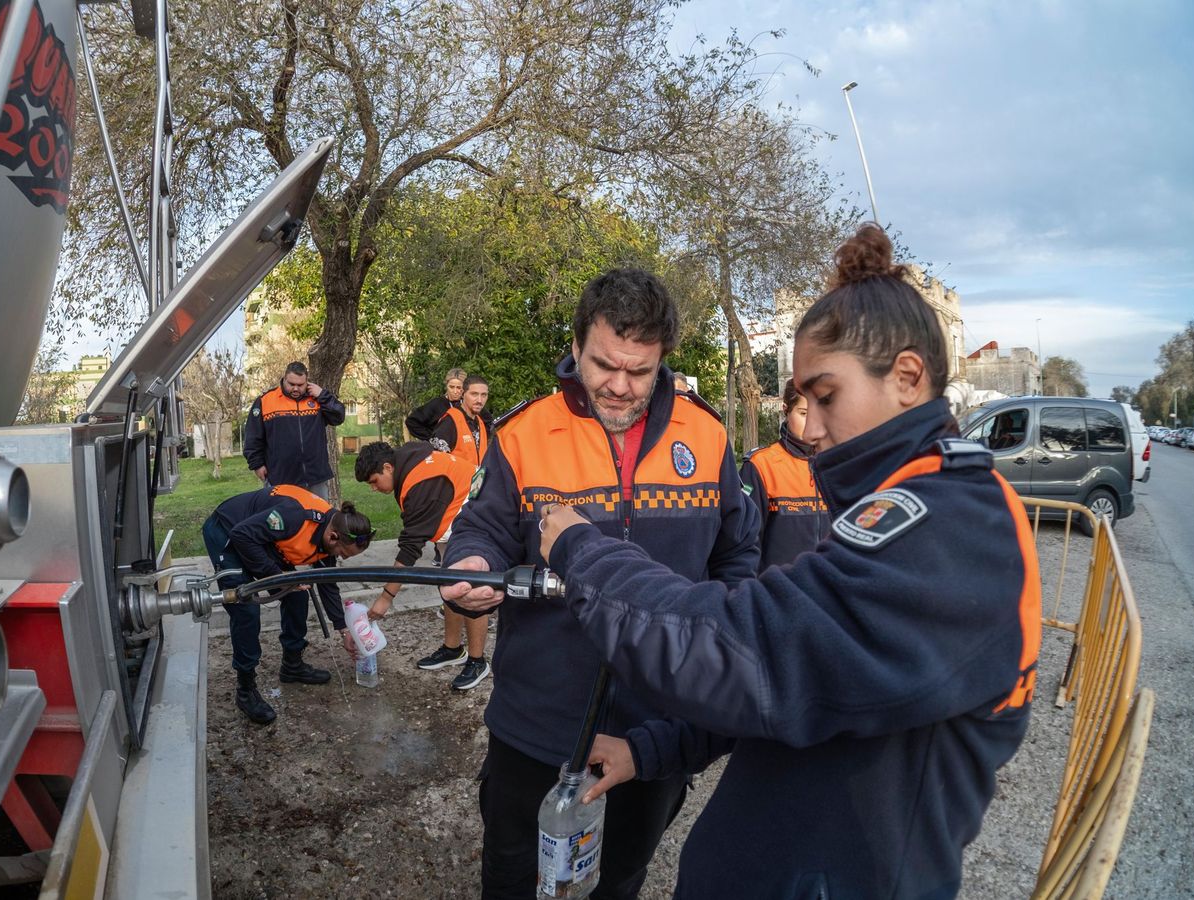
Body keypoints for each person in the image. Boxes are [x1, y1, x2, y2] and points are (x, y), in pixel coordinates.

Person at [510, 224, 1041, 898]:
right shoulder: (908, 502)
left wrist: (582, 550)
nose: (811, 426)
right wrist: (650, 749)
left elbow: (746, 650)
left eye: (827, 396)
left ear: (908, 377)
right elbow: (814, 682)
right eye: (805, 400)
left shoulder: (950, 529)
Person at [439, 268, 761, 898]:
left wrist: (707, 663)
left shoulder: (708, 434)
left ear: (665, 358)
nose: (619, 386)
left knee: (618, 879)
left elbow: (738, 556)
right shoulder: (526, 431)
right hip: (536, 724)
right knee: (514, 875)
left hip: (654, 729)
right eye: (603, 365)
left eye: (639, 371)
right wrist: (471, 565)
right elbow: (480, 530)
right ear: (578, 342)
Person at [202, 485, 373, 725]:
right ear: (333, 536)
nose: (342, 557)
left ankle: (292, 665)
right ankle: (245, 688)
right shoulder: (294, 517)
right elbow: (242, 535)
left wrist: (344, 630)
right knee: (246, 609)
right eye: (343, 552)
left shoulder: (332, 531)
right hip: (228, 532)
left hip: (259, 538)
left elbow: (327, 583)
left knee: (297, 596)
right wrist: (278, 576)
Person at [353, 440, 490, 691]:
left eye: (373, 481)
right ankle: (453, 649)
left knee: (472, 589)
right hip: (456, 515)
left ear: (387, 467)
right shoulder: (406, 458)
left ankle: (477, 660)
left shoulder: (421, 484)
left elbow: (410, 549)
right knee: (450, 584)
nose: (373, 489)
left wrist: (386, 598)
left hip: (478, 517)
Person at [739, 377, 831, 570]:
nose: (813, 422)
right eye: (804, 413)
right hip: (777, 592)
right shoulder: (761, 465)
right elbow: (743, 543)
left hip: (829, 591)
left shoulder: (839, 464)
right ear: (785, 410)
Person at [242, 361, 346, 498]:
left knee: (318, 517)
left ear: (307, 382)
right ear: (284, 379)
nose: (296, 389)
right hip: (280, 478)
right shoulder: (265, 401)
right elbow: (252, 437)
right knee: (283, 518)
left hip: (315, 478)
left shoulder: (316, 399)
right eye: (291, 384)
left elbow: (339, 416)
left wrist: (322, 395)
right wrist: (257, 465)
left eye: (300, 385)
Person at [431, 375, 491, 467]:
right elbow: (436, 463)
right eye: (474, 394)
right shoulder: (450, 421)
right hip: (456, 480)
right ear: (463, 393)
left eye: (484, 395)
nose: (479, 400)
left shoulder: (480, 422)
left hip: (478, 480)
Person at [405, 367, 468, 442]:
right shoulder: (437, 404)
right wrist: (432, 438)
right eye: (451, 387)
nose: (455, 391)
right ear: (446, 386)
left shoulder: (469, 405)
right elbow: (411, 421)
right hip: (442, 451)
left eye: (458, 388)